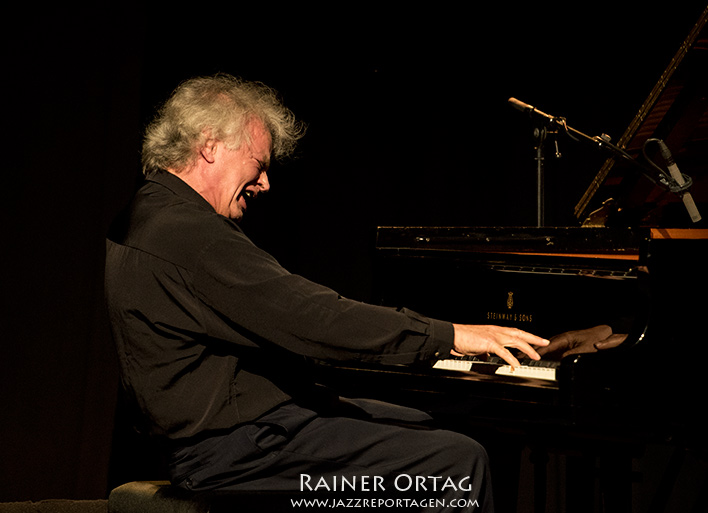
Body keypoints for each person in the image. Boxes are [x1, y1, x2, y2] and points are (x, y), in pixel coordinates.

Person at [104, 74, 614, 512]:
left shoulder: (151, 213)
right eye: (258, 163)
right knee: (455, 464)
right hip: (235, 453)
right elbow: (311, 319)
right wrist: (450, 335)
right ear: (210, 145)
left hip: (239, 434)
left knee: (425, 425)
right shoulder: (191, 236)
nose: (264, 183)